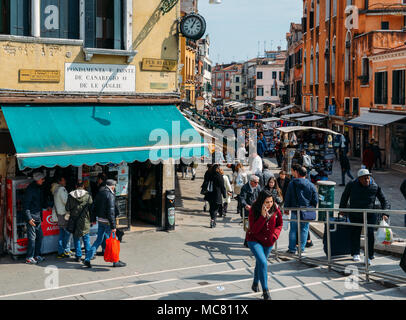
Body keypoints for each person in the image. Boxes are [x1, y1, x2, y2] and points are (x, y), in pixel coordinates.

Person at [339, 169, 390, 264]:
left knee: (370, 234)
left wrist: (385, 213)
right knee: (355, 233)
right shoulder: (352, 184)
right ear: (359, 179)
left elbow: (384, 200)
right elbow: (345, 196)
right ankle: (355, 253)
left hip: (370, 214)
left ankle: (369, 256)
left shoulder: (375, 186)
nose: (367, 180)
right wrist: (342, 209)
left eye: (368, 177)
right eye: (364, 178)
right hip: (355, 213)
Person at [245, 190, 283, 300]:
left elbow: (280, 224)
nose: (269, 204)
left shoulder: (275, 208)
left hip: (269, 241)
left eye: (271, 201)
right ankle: (266, 291)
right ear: (262, 201)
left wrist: (275, 235)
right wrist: (262, 216)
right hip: (254, 239)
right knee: (262, 262)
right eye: (267, 202)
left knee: (260, 263)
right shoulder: (254, 209)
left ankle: (255, 282)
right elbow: (254, 229)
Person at [86, 179, 126, 268]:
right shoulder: (110, 195)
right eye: (114, 185)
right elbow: (111, 212)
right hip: (108, 222)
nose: (115, 187)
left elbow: (93, 206)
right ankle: (115, 261)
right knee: (112, 241)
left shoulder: (100, 192)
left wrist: (93, 218)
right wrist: (113, 226)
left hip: (100, 220)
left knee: (99, 240)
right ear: (112, 186)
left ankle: (87, 258)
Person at [284, 165, 318, 254]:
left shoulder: (292, 183)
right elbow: (315, 200)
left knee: (293, 230)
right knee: (304, 230)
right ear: (306, 174)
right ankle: (301, 248)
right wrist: (311, 207)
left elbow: (288, 196)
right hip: (306, 211)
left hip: (295, 210)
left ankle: (292, 249)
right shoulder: (311, 185)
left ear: (298, 173)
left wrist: (286, 208)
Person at [65, 181, 93, 263]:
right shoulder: (88, 195)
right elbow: (91, 207)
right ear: (83, 186)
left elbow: (67, 207)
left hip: (74, 219)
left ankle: (78, 256)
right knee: (86, 238)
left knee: (76, 238)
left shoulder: (70, 195)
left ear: (76, 186)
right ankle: (88, 256)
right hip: (85, 220)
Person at [51, 176, 71, 259]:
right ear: (60, 181)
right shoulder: (61, 189)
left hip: (59, 214)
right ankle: (63, 251)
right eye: (63, 180)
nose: (65, 181)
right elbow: (66, 201)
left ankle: (63, 251)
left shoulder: (55, 189)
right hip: (64, 214)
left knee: (62, 233)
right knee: (67, 233)